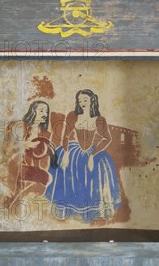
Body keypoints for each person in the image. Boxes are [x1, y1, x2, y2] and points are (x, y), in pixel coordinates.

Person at [45, 89, 121, 222]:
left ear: (92, 100)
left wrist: (92, 155)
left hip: (92, 151)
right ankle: (67, 209)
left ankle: (94, 210)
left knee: (97, 172)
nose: (82, 103)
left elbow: (107, 139)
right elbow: (66, 136)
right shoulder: (72, 116)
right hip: (73, 150)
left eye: (85, 100)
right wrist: (66, 153)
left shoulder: (100, 119)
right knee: (64, 168)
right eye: (80, 101)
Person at [5, 100, 58, 209]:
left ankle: (13, 205)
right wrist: (24, 144)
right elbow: (8, 148)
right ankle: (13, 205)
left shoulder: (43, 132)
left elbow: (43, 157)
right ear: (33, 111)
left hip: (29, 166)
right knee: (46, 178)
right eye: (41, 110)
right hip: (15, 165)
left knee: (41, 182)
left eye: (46, 111)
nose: (45, 114)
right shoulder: (22, 126)